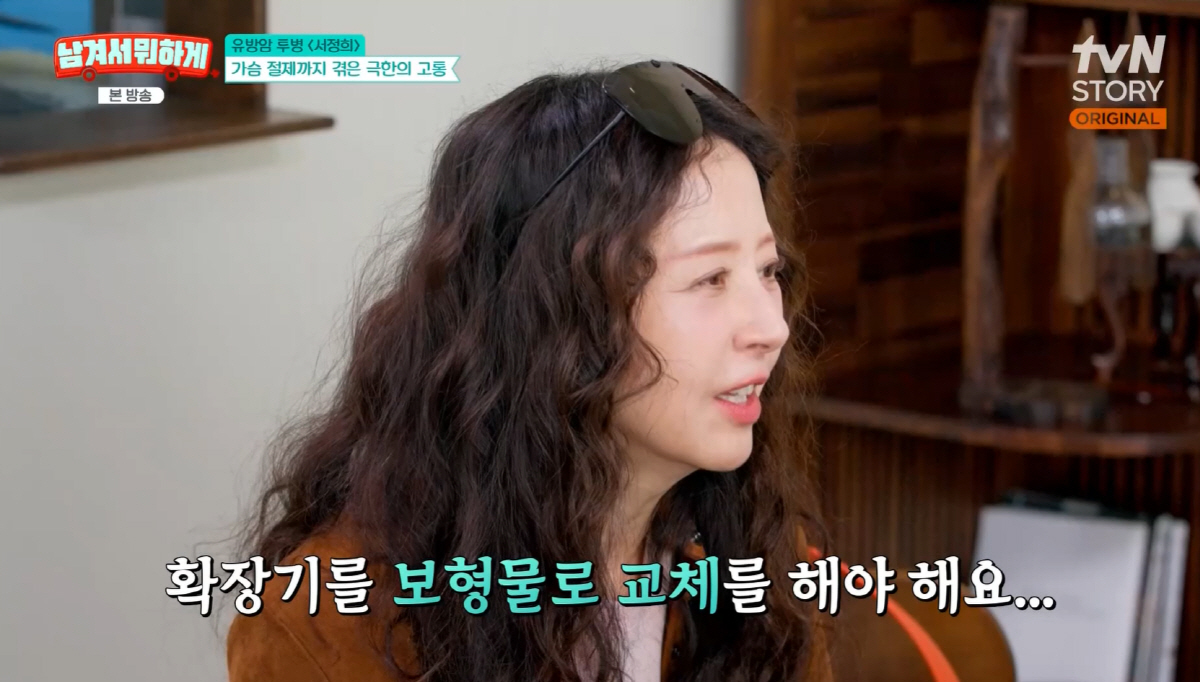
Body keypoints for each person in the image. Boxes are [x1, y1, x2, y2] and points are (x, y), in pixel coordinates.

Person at [224, 59, 830, 682]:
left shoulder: (752, 577)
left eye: (769, 271)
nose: (771, 329)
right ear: (559, 312)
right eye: (710, 279)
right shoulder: (331, 625)